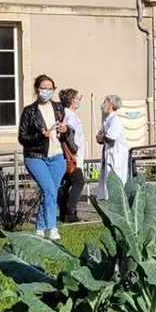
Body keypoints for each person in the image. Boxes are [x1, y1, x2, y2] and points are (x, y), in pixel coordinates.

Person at [17, 75, 74, 239]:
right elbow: (23, 138)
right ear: (37, 89)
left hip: (57, 156)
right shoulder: (30, 111)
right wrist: (41, 135)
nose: (47, 91)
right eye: (44, 88)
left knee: (50, 192)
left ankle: (40, 228)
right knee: (49, 189)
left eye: (50, 88)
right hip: (36, 156)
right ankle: (52, 227)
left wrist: (65, 130)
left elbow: (67, 132)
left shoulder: (58, 108)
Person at [57, 88, 87, 223]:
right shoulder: (70, 116)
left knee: (66, 183)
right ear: (72, 101)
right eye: (77, 98)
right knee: (78, 182)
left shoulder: (66, 114)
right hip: (72, 157)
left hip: (68, 156)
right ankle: (70, 212)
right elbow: (70, 136)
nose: (79, 101)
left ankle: (63, 212)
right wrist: (74, 152)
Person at [95, 94, 129, 200]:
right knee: (107, 182)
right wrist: (102, 136)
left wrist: (102, 136)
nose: (103, 104)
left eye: (105, 102)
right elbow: (98, 138)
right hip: (108, 154)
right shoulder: (107, 120)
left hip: (116, 156)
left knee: (115, 181)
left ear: (110, 104)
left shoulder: (115, 120)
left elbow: (109, 138)